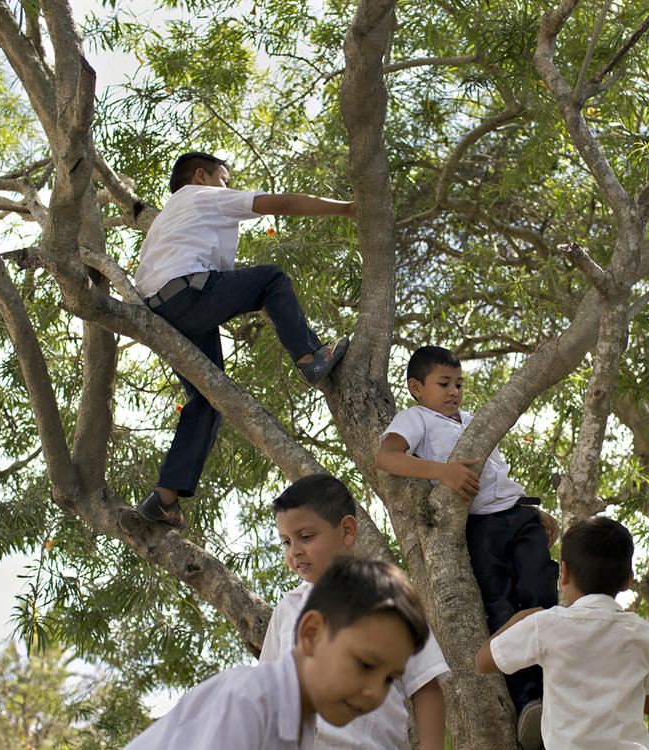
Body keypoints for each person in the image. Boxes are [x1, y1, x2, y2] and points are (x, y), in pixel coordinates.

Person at [134, 151, 355, 528]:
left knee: (207, 398)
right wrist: (348, 208)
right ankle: (310, 358)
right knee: (272, 278)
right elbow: (280, 203)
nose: (228, 187)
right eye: (225, 178)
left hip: (160, 311)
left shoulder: (170, 218)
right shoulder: (201, 194)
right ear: (201, 176)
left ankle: (164, 499)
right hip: (189, 293)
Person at [374, 345, 560, 749]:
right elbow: (387, 457)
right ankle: (530, 701)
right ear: (416, 389)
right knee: (500, 606)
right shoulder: (416, 419)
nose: (454, 391)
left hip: (518, 514)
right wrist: (442, 472)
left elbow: (497, 476)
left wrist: (534, 510)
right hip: (480, 527)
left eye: (459, 384)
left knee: (541, 592)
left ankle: (558, 691)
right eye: (444, 384)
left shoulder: (474, 422)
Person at [123, 556, 428, 750]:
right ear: (311, 634)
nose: (375, 693)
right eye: (364, 664)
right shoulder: (248, 702)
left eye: (390, 679)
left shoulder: (298, 728)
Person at [260, 474, 449, 750]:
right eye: (286, 542)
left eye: (306, 537)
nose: (295, 552)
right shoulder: (287, 610)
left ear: (347, 531)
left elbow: (424, 684)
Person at [475, 516, 649, 750]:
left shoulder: (545, 624)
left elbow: (483, 662)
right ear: (628, 580)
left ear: (564, 573)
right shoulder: (643, 633)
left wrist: (521, 618)